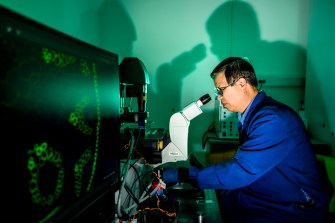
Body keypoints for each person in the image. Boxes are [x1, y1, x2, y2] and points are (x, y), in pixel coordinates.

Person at [162, 57, 329, 223]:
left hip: (295, 207)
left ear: (242, 84)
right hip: (268, 190)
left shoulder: (272, 119)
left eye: (221, 90)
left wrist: (184, 175)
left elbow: (240, 171)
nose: (219, 97)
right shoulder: (252, 116)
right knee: (221, 196)